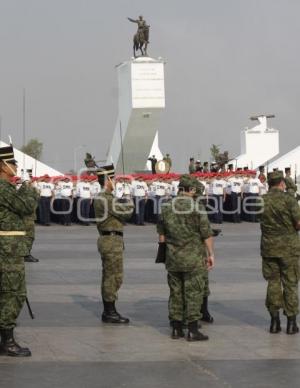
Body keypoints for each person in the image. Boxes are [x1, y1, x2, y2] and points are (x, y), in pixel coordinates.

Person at [157, 174, 215, 341]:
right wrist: (211, 254)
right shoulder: (197, 207)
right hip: (193, 259)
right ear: (191, 190)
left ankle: (176, 328)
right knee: (193, 292)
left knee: (175, 292)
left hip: (173, 258)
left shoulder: (166, 207)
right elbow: (206, 234)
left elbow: (162, 235)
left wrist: (164, 253)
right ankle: (192, 330)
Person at [0, 144, 38, 357]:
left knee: (6, 292)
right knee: (14, 293)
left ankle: (5, 339)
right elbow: (25, 206)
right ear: (3, 165)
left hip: (8, 249)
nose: (15, 166)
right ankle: (7, 342)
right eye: (13, 163)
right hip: (8, 251)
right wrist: (28, 187)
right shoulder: (3, 188)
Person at [260, 171, 300, 334]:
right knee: (290, 283)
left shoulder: (261, 200)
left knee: (273, 283)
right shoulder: (289, 200)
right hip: (289, 248)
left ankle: (274, 321)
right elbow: (298, 223)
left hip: (269, 247)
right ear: (282, 183)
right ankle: (291, 323)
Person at [94, 165, 134, 324]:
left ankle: (109, 310)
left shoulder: (106, 198)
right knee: (113, 277)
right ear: (107, 180)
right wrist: (128, 199)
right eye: (114, 179)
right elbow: (126, 213)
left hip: (112, 240)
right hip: (110, 241)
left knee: (112, 276)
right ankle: (109, 312)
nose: (116, 182)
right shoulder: (105, 198)